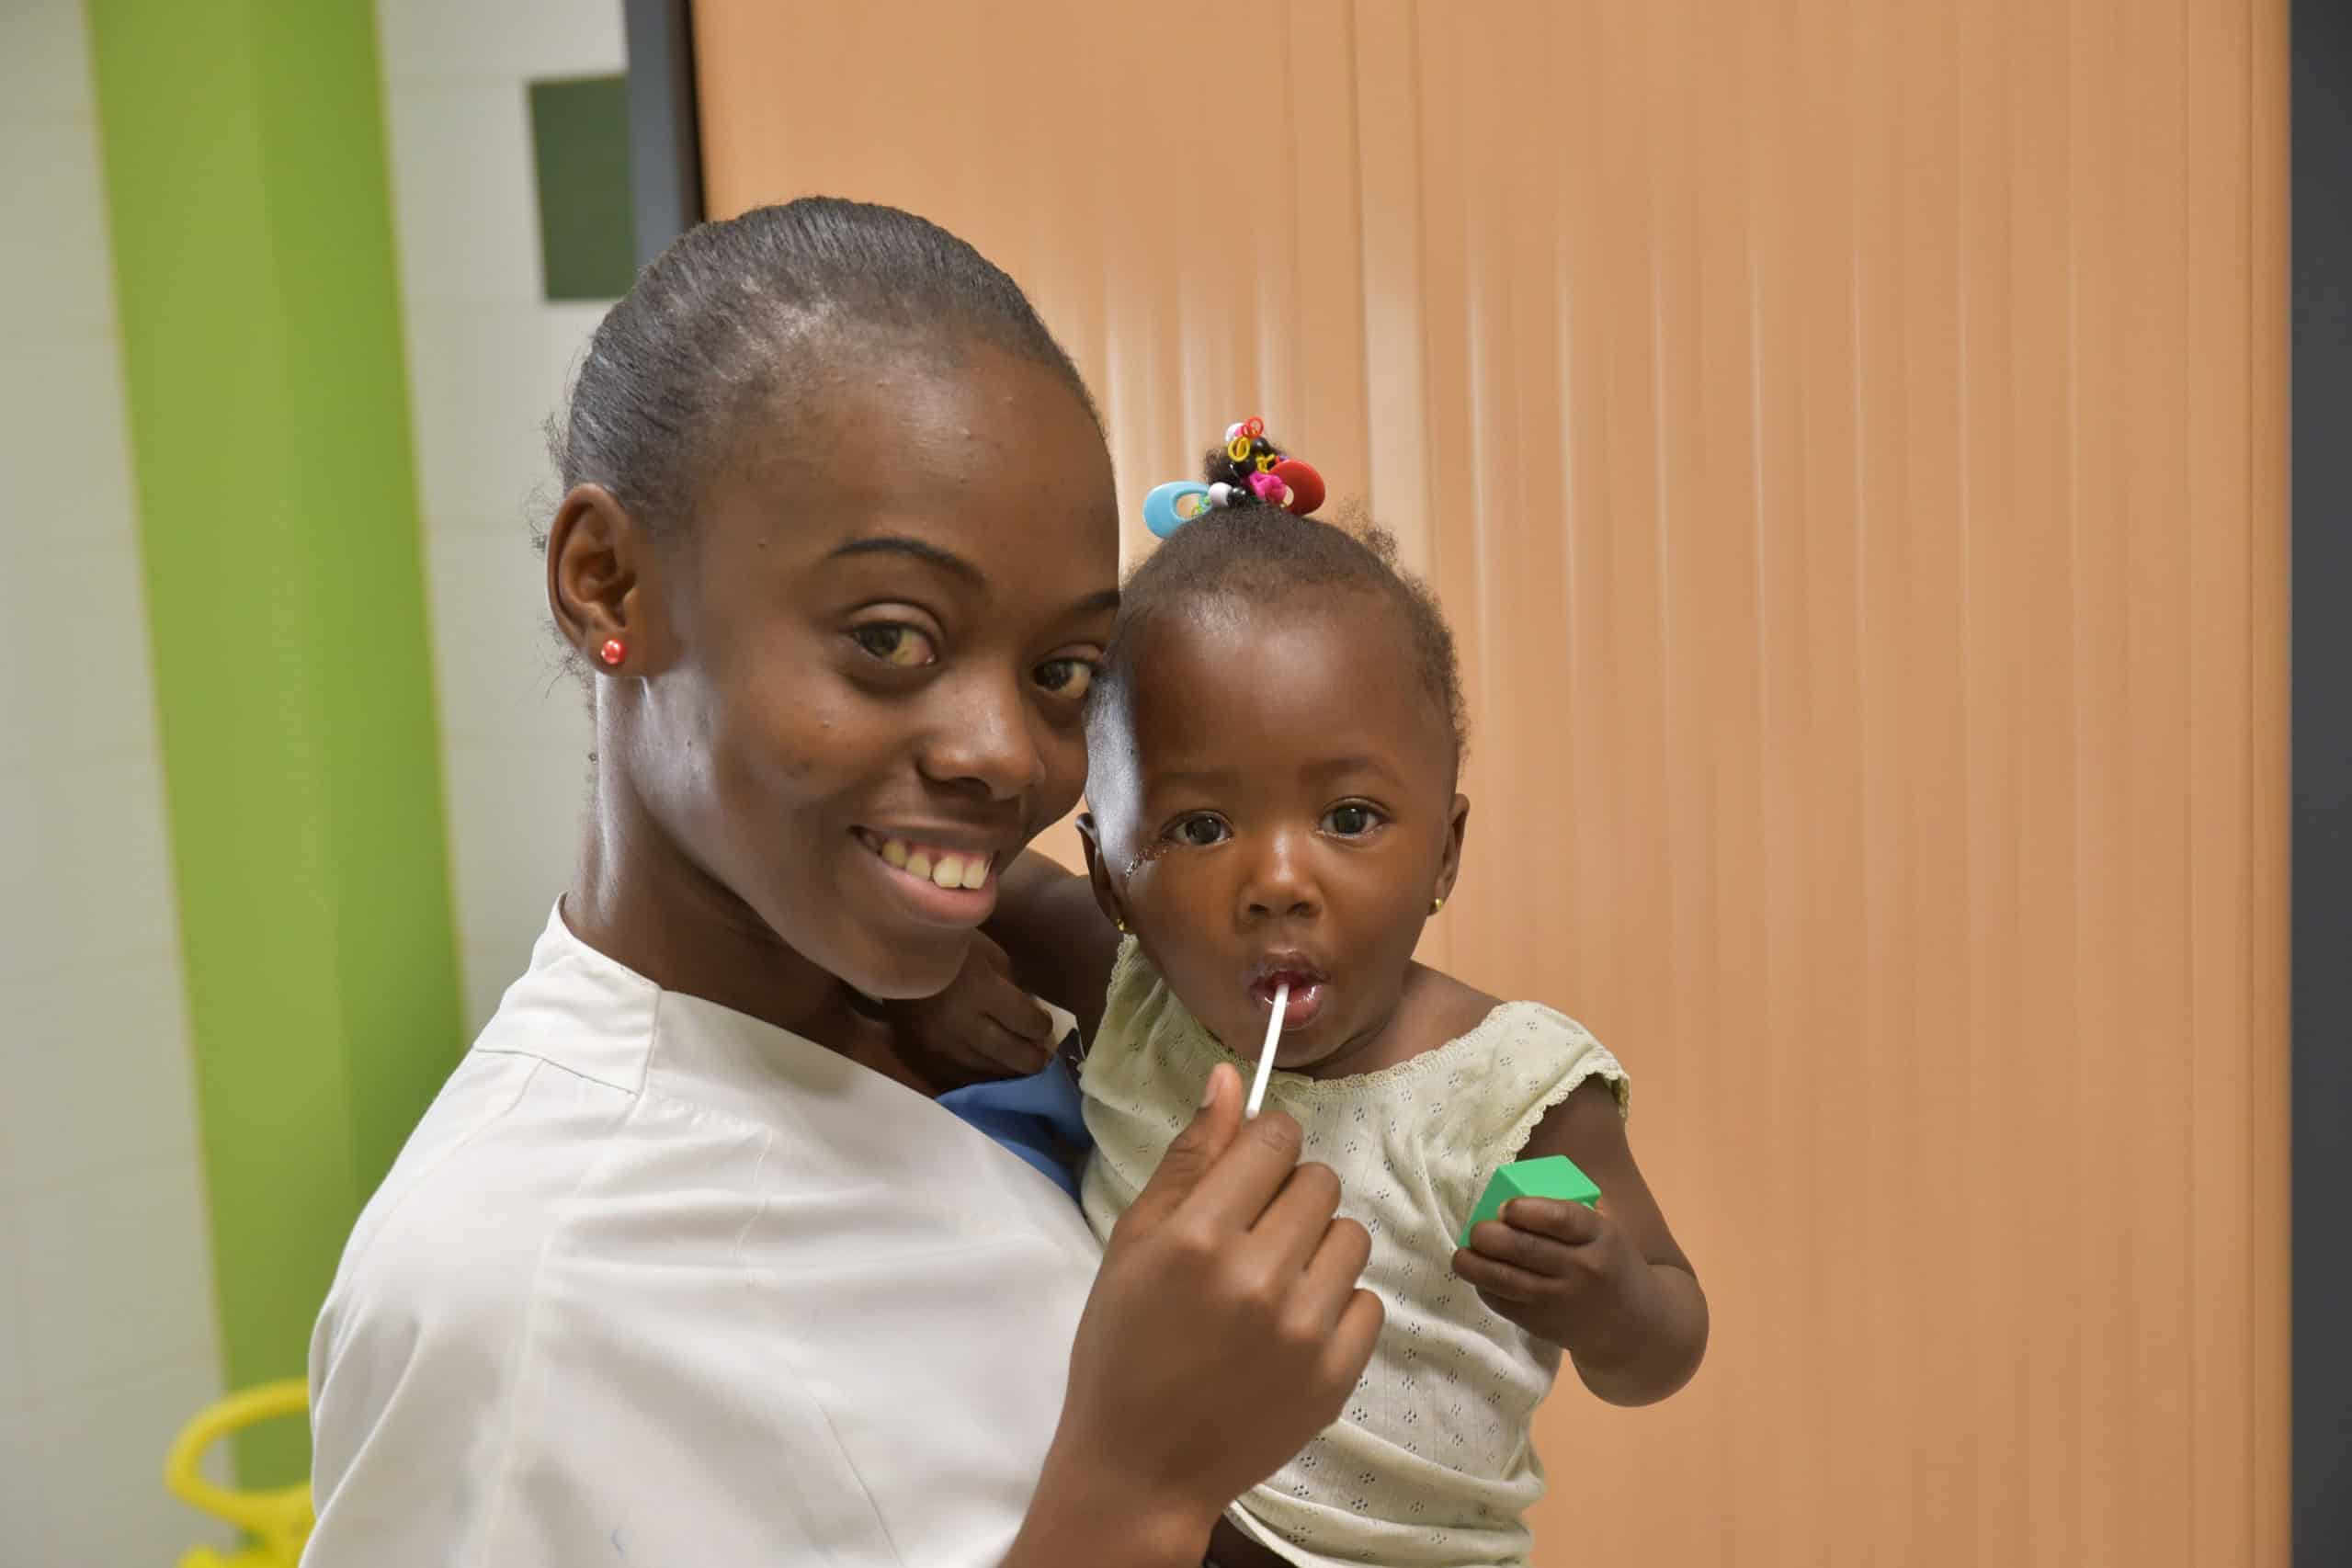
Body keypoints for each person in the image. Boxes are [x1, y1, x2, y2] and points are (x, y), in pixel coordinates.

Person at [302, 199, 1382, 1568]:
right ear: (609, 582)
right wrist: (1131, 1493)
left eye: (1059, 672)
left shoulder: (984, 1027)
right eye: (888, 637)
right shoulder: (511, 1288)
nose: (1006, 756)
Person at [965, 426, 1710, 1567]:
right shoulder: (1127, 993)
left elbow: (1664, 1340)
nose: (1277, 882)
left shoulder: (1508, 1091)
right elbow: (965, 869)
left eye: (1351, 818)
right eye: (1201, 827)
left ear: (1445, 852)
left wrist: (1607, 1297)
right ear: (1113, 878)